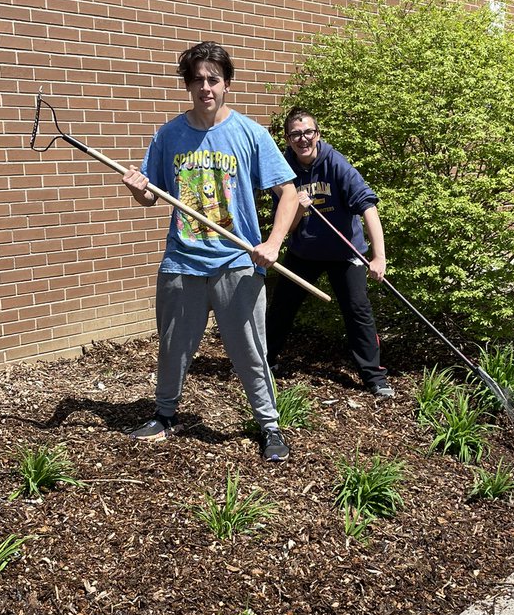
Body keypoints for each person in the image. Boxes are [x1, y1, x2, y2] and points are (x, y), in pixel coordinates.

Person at [122, 41, 299, 460]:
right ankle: (165, 416)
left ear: (226, 84)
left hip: (237, 261)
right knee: (172, 345)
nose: (206, 87)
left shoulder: (250, 134)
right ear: (188, 84)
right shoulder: (169, 135)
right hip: (182, 259)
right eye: (198, 79)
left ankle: (269, 426)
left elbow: (288, 193)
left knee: (250, 349)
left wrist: (272, 243)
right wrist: (138, 191)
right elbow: (154, 196)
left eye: (213, 79)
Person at [265, 109, 394, 397]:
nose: (303, 139)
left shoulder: (336, 164)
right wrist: (298, 206)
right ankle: (266, 362)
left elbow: (368, 207)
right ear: (288, 139)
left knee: (358, 313)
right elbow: (288, 224)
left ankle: (374, 377)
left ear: (317, 134)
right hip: (304, 252)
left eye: (308, 132)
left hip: (345, 253)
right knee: (281, 308)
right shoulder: (285, 172)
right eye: (295, 134)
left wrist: (378, 257)